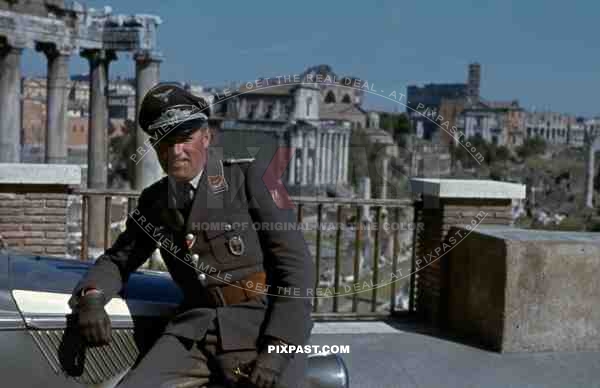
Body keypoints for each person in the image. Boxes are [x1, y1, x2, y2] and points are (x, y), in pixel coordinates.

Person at [69, 83, 315, 388]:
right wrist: (91, 299)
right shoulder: (156, 201)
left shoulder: (251, 178)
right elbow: (117, 261)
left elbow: (298, 271)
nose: (175, 151)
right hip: (194, 332)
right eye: (163, 141)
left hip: (260, 327)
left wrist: (277, 351)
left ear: (206, 137)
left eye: (184, 139)